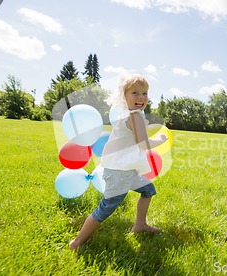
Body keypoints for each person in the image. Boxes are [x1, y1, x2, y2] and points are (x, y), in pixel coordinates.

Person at [69, 74, 168, 251]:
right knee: (106, 208)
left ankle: (140, 225)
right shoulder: (135, 117)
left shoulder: (129, 114)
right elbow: (143, 143)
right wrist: (160, 139)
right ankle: (77, 242)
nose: (141, 97)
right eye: (135, 93)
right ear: (124, 96)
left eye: (144, 93)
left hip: (126, 169)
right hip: (119, 172)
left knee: (148, 190)